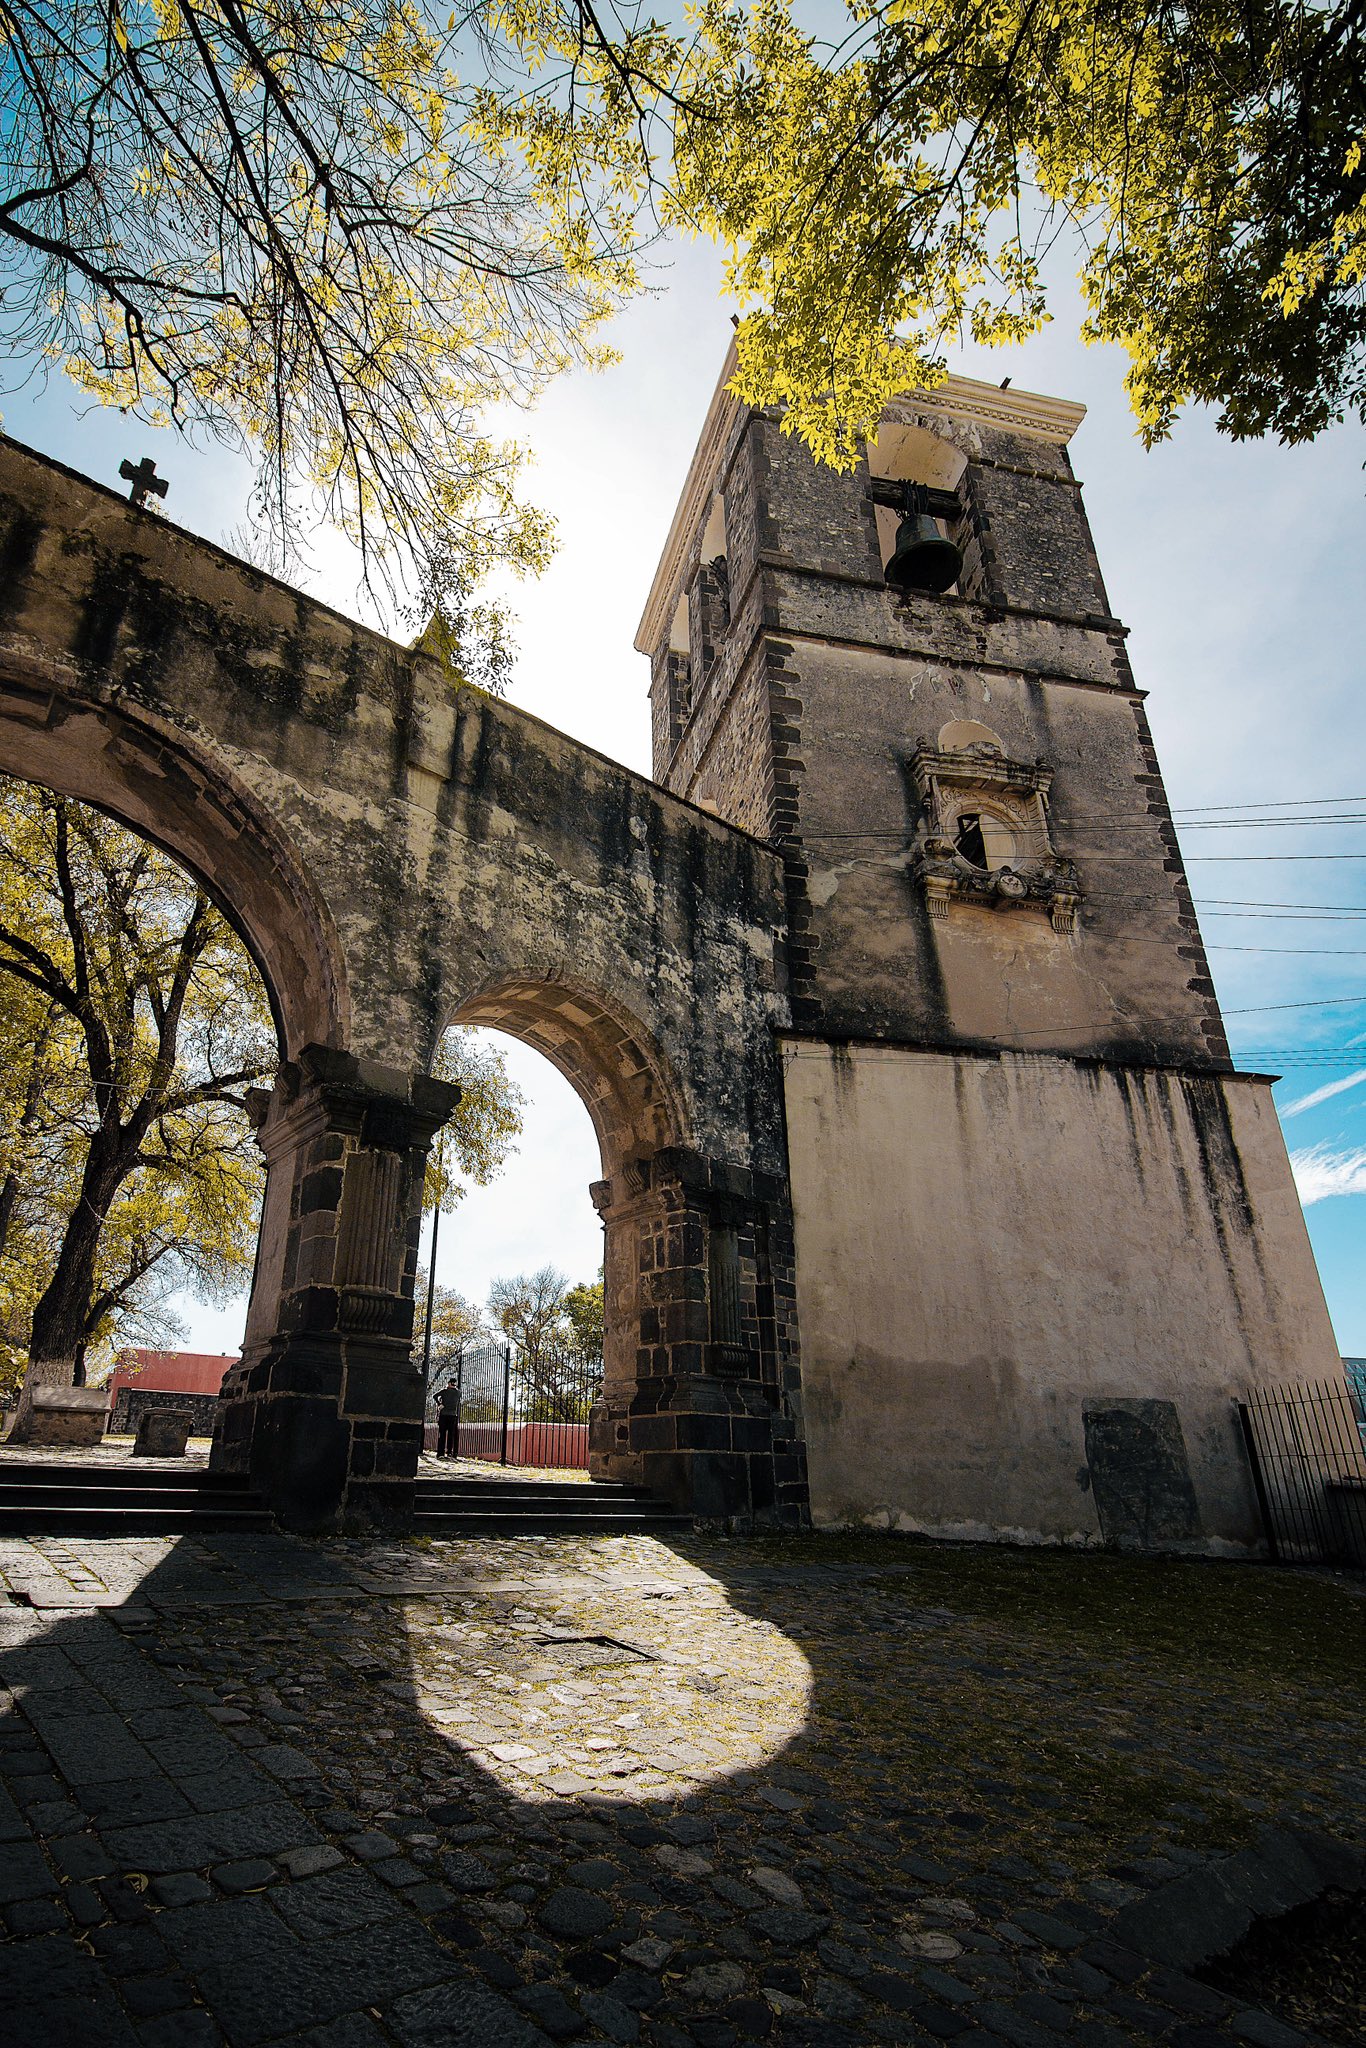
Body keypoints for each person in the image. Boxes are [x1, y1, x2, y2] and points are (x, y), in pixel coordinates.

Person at [435, 1380, 460, 1458]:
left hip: (444, 1415)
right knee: (451, 1435)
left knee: (442, 1434)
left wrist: (440, 1403)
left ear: (449, 1383)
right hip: (453, 1415)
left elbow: (435, 1396)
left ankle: (440, 1453)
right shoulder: (458, 1393)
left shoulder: (444, 1391)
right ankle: (450, 1452)